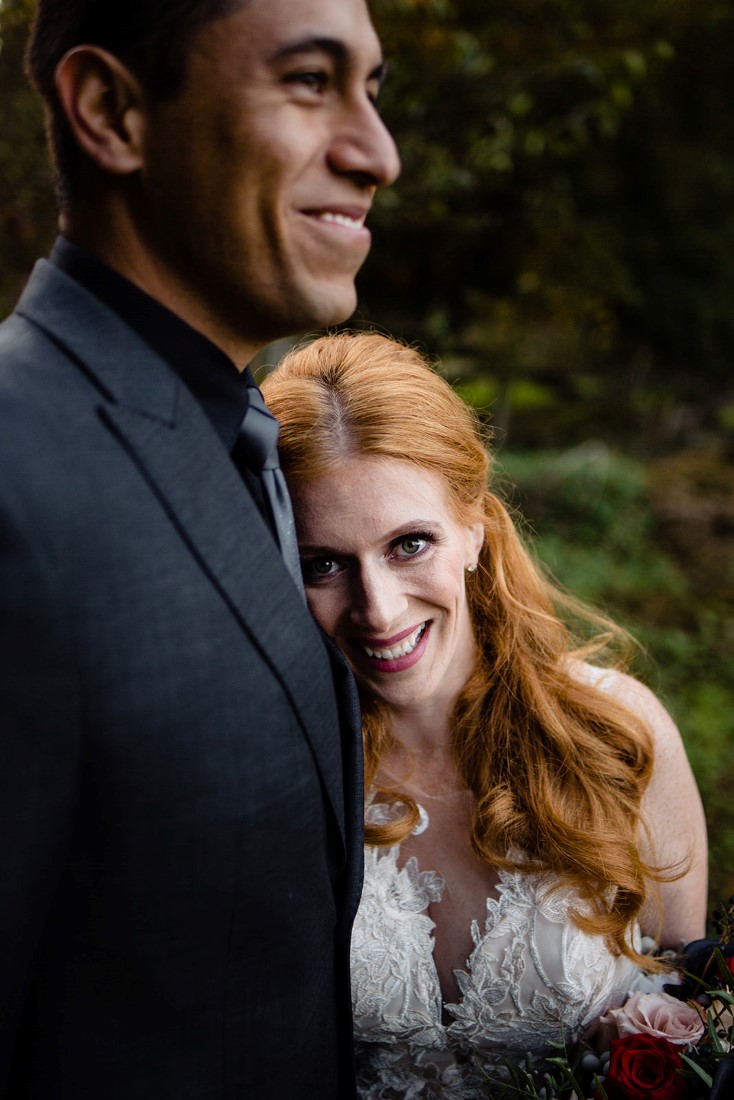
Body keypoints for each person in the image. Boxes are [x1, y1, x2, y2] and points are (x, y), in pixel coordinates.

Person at [0, 2, 399, 1097]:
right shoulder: (16, 474)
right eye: (311, 82)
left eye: (374, 90)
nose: (378, 153)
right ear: (112, 110)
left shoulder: (243, 439)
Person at [261, 331, 708, 1098]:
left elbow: (700, 1006)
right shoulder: (273, 771)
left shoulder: (618, 738)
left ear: (475, 526)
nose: (378, 609)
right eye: (324, 564)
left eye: (409, 544)